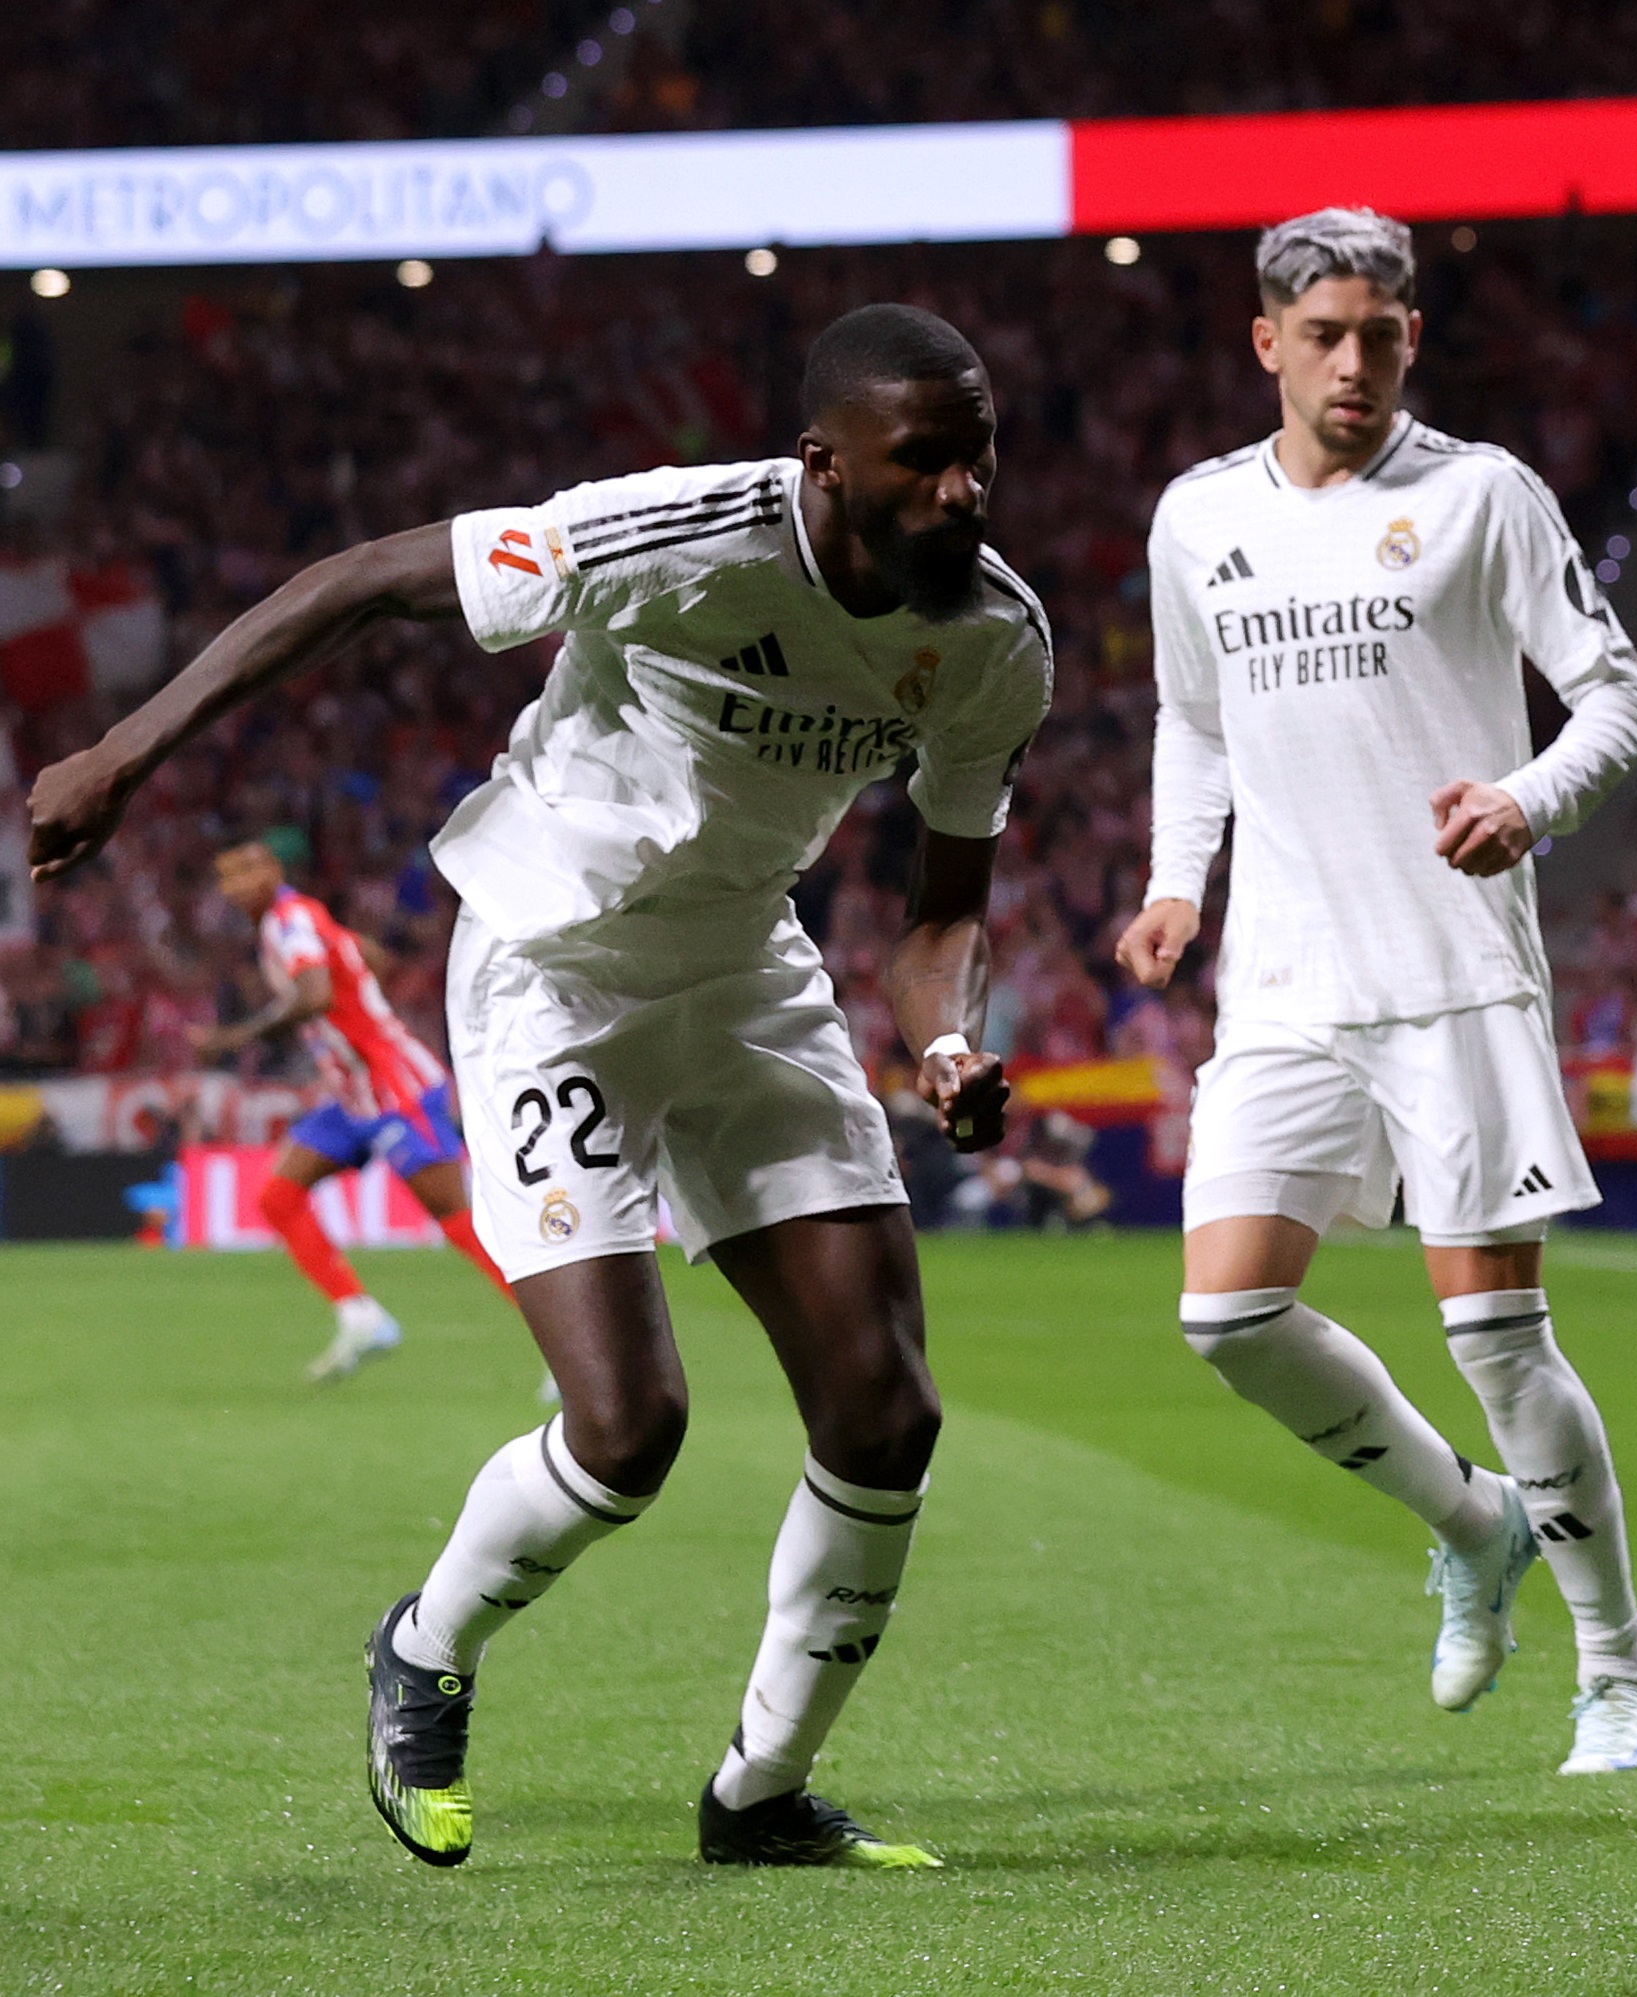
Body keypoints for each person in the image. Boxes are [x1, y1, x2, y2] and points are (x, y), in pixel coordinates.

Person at [28, 302, 1044, 1871]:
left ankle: (761, 1794)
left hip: (744, 973)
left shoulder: (992, 639)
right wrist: (126, 750)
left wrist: (949, 1040)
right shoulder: (678, 531)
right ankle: (426, 1647)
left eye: (979, 458)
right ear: (824, 464)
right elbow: (358, 582)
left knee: (885, 1404)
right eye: (925, 461)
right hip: (552, 971)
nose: (964, 493)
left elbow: (943, 910)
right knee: (631, 1425)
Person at [1114, 208, 1637, 1776]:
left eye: (1381, 333)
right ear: (1266, 344)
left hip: (1452, 976)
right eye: (1323, 335)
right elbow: (1190, 718)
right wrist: (1177, 882)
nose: (1352, 362)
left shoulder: (1482, 496)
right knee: (1226, 1311)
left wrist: (1524, 798)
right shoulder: (1196, 517)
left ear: (1412, 337)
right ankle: (1469, 1520)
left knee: (1498, 1338)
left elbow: (1616, 697)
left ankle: (1618, 1669)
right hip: (1284, 977)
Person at [193, 839, 517, 1380]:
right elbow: (372, 958)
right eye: (230, 875)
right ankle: (362, 1316)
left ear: (273, 872)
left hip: (395, 1090)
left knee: (459, 1222)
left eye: (252, 868)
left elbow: (316, 995)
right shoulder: (305, 915)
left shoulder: (287, 921)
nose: (241, 882)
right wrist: (361, 1002)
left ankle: (567, 1345)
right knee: (278, 1198)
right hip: (352, 1095)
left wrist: (233, 1039)